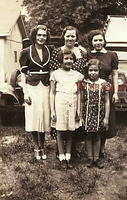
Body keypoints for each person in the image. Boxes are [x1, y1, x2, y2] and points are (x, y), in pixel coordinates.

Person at [49, 26, 87, 158]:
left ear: (76, 38)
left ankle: (72, 151)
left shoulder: (81, 52)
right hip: (61, 92)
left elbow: (83, 73)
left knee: (73, 123)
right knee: (60, 124)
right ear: (63, 36)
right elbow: (53, 74)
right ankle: (59, 151)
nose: (70, 38)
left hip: (75, 91)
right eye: (68, 36)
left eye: (73, 36)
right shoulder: (57, 52)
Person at [19, 25, 54, 160]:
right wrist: (25, 93)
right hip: (32, 87)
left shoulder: (50, 50)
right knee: (34, 117)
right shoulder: (26, 51)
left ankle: (43, 145)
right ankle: (36, 147)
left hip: (45, 86)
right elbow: (23, 74)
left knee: (44, 117)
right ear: (34, 36)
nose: (41, 38)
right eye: (39, 35)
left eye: (44, 35)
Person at [50, 50, 84, 169]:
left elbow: (79, 93)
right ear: (61, 60)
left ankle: (68, 156)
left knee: (70, 131)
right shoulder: (55, 74)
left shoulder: (77, 75)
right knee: (60, 131)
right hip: (60, 104)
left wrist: (78, 110)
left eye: (70, 58)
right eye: (66, 58)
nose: (68, 61)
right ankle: (61, 156)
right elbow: (52, 93)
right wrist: (53, 110)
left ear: (73, 60)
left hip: (73, 103)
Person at [87, 30, 119, 158]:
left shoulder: (111, 55)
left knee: (106, 118)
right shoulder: (88, 55)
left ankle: (102, 149)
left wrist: (116, 92)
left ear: (104, 40)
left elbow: (115, 74)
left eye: (100, 40)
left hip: (107, 89)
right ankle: (91, 149)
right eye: (95, 40)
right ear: (91, 42)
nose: (98, 42)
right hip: (92, 89)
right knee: (92, 116)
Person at [82, 59, 110, 168]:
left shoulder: (104, 84)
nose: (93, 73)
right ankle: (90, 158)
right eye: (90, 70)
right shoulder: (84, 84)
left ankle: (96, 158)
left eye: (95, 70)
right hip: (87, 113)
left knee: (98, 135)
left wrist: (106, 117)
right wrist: (81, 115)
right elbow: (81, 100)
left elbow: (107, 101)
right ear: (87, 71)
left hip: (100, 113)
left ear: (99, 71)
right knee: (88, 136)